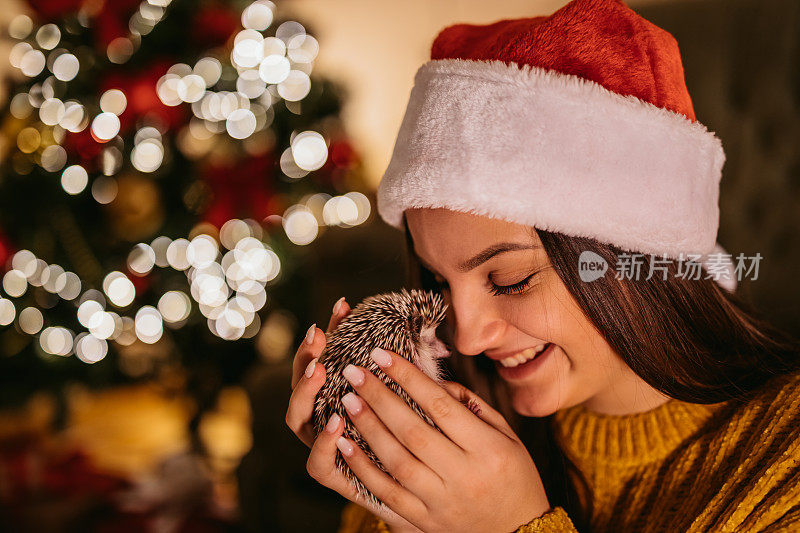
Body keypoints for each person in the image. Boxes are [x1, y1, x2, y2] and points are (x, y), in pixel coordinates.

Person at [285, 0, 800, 531]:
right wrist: (391, 491)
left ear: (637, 251)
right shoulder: (466, 422)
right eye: (440, 281)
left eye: (511, 280)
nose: (467, 340)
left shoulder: (784, 457)